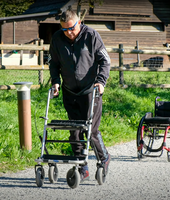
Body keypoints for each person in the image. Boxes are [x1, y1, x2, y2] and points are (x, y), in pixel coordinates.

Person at [49, 7, 111, 182]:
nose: (68, 32)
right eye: (64, 29)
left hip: (91, 91)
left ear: (79, 22)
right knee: (75, 131)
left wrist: (101, 81)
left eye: (71, 28)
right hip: (70, 91)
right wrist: (55, 81)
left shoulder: (91, 36)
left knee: (90, 131)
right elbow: (53, 63)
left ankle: (104, 158)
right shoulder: (57, 39)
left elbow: (105, 61)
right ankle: (81, 167)